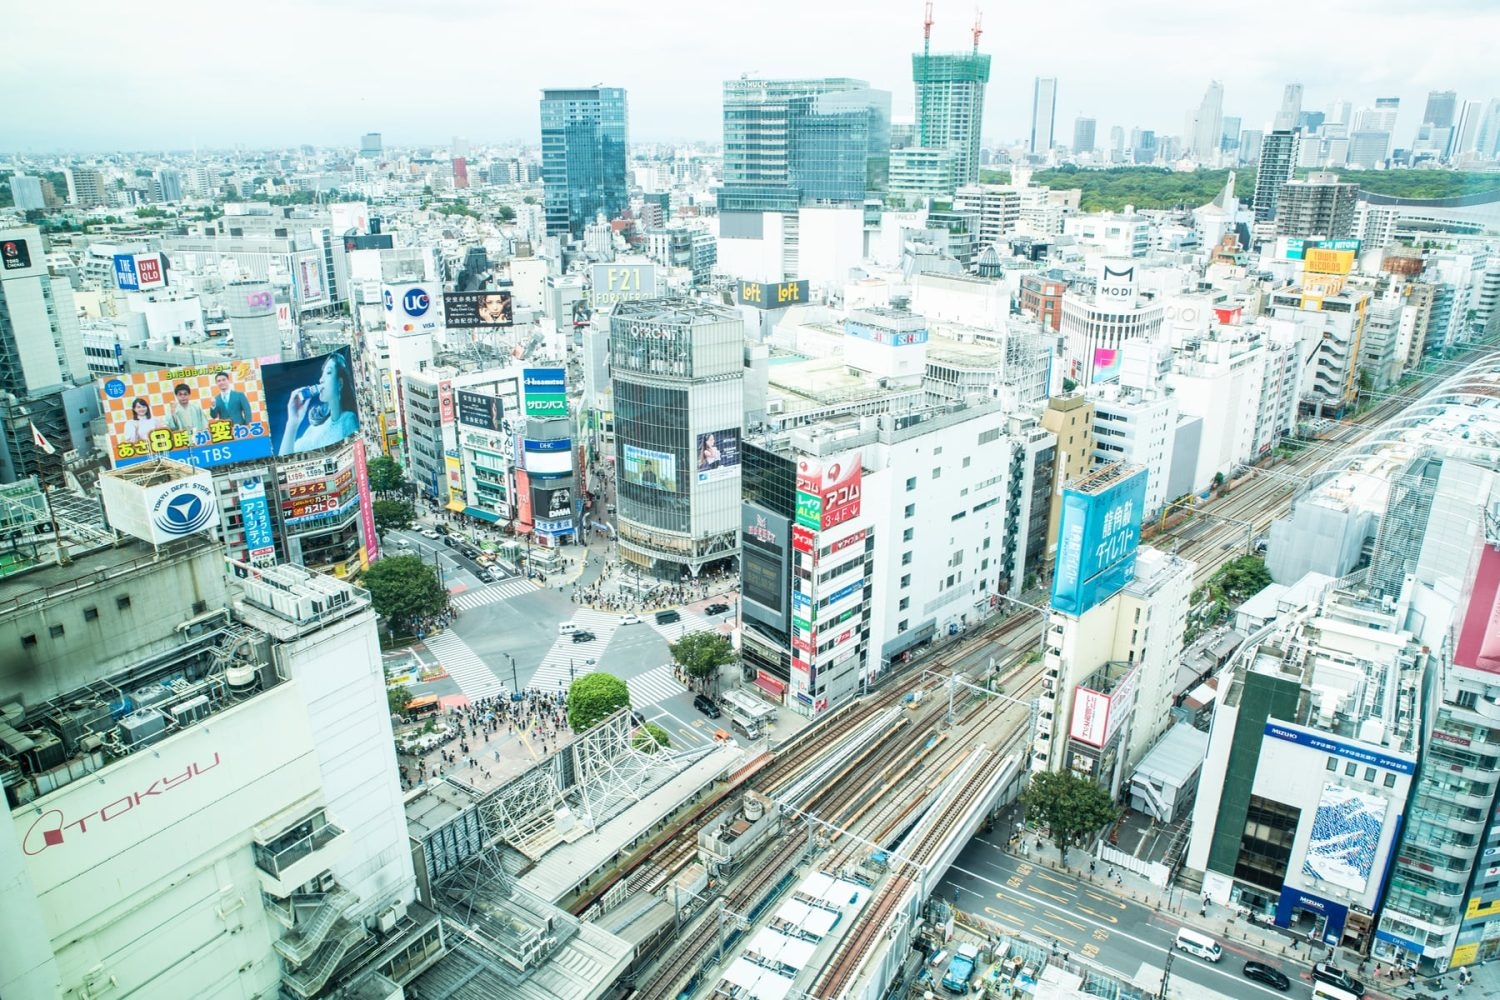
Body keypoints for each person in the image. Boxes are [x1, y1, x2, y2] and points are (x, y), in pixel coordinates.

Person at [280, 352, 359, 455]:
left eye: (329, 372)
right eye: (322, 373)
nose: (321, 379)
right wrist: (292, 423)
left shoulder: (348, 420)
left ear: (340, 384)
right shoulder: (313, 428)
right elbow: (285, 459)